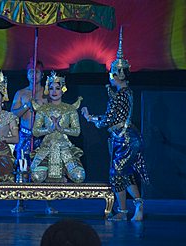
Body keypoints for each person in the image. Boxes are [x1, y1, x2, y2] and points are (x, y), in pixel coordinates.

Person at [81, 27, 149, 221]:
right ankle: (137, 208)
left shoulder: (120, 95)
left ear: (119, 74)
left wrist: (91, 118)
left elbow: (110, 119)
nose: (110, 76)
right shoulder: (126, 93)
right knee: (125, 174)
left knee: (117, 175)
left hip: (124, 138)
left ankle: (123, 211)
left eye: (112, 73)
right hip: (128, 137)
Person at [10, 58, 52, 213]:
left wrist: (42, 107)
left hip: (42, 136)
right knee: (22, 168)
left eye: (37, 72)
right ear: (27, 74)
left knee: (45, 169)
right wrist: (28, 105)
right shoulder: (21, 93)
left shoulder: (48, 93)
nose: (34, 75)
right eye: (31, 72)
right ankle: (20, 202)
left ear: (42, 75)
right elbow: (14, 114)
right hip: (25, 135)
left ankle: (48, 203)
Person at [31, 71, 86, 183]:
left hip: (65, 149)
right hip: (46, 149)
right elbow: (35, 131)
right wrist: (49, 129)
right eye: (51, 88)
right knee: (36, 177)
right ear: (48, 90)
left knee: (79, 176)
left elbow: (77, 131)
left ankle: (63, 175)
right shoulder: (43, 109)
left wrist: (61, 129)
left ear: (63, 89)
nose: (54, 91)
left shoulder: (70, 109)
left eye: (57, 88)